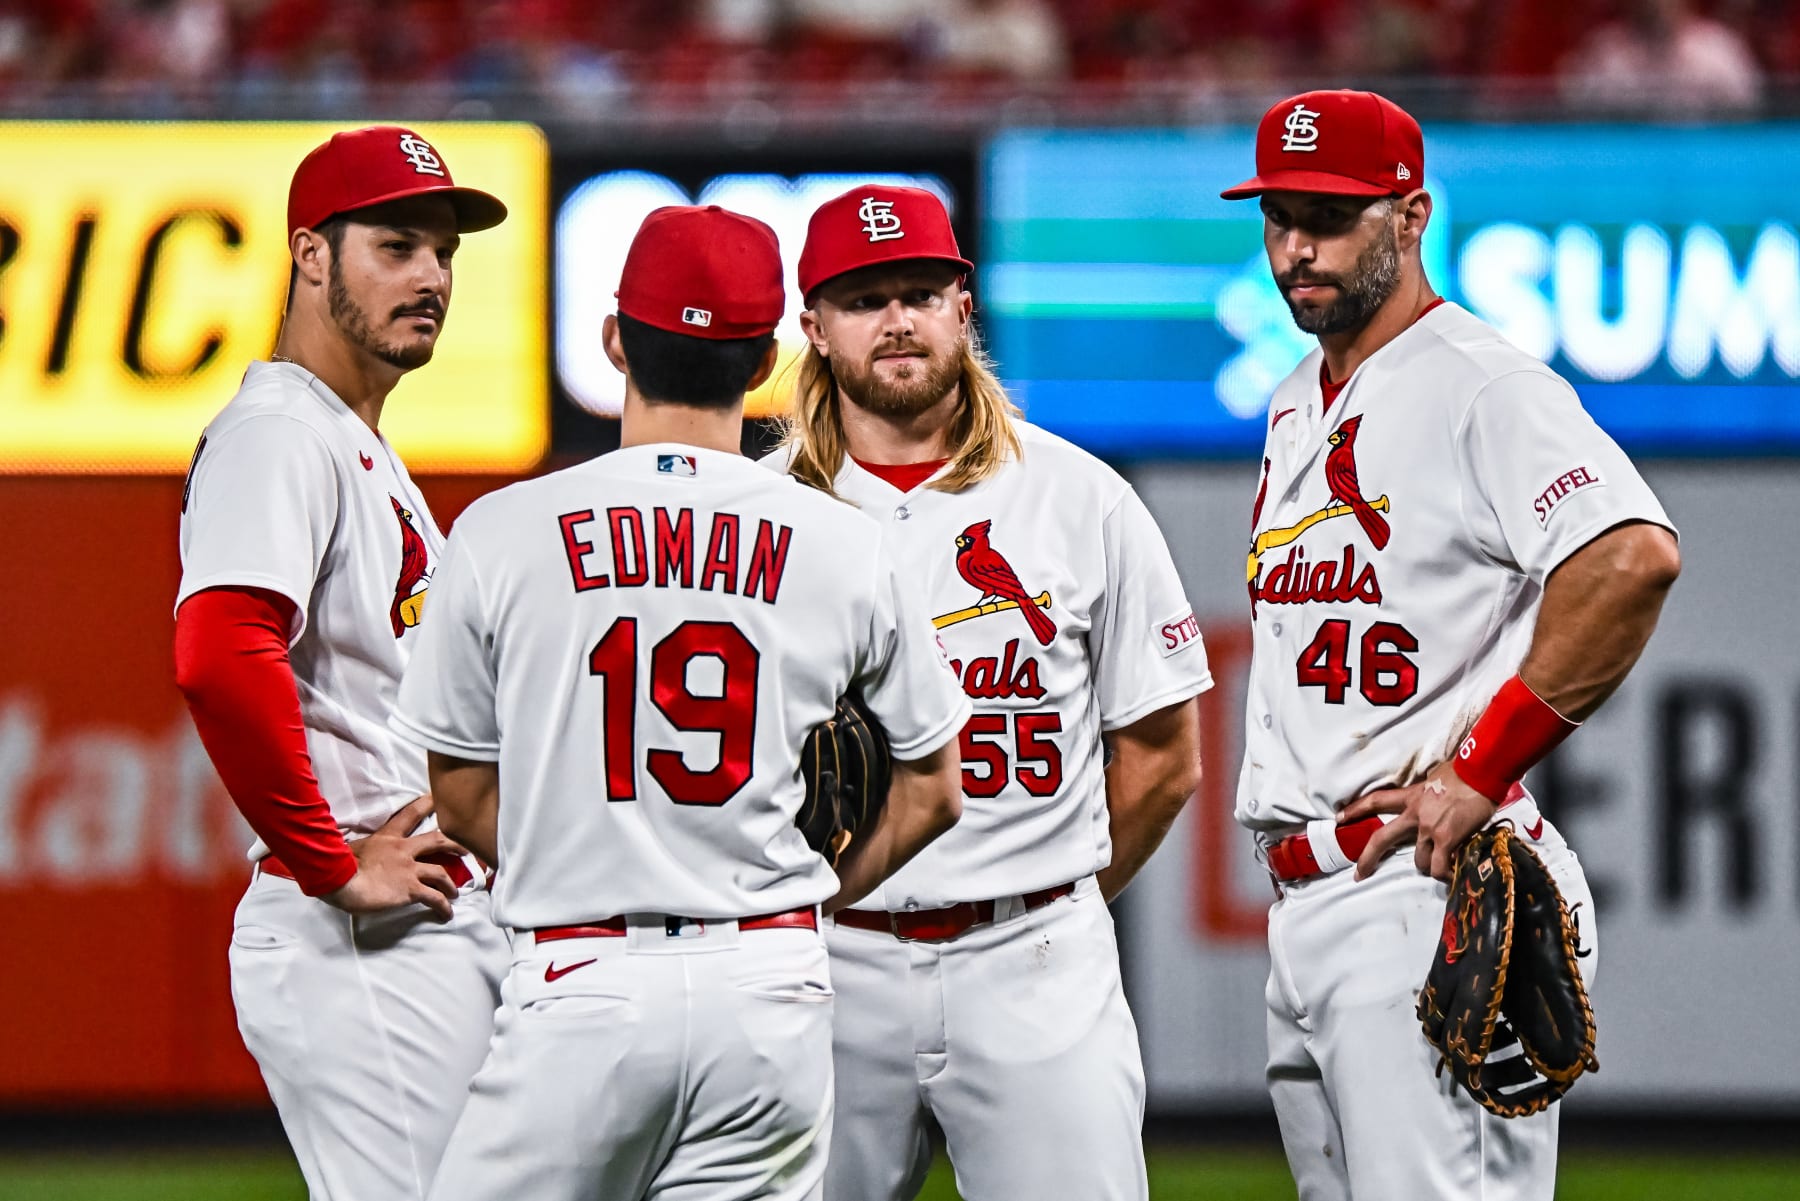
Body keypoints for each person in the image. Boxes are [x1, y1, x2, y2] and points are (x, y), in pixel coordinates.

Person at [391, 204, 970, 1201]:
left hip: (583, 979)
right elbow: (935, 787)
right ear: (766, 363)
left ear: (613, 338)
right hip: (769, 989)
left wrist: (578, 851)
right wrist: (805, 894)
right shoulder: (841, 540)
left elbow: (457, 790)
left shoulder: (501, 530)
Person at [1221, 89, 1682, 1198]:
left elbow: (1629, 556)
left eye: (1330, 217)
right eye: (1280, 216)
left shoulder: (1481, 382)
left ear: (1411, 213)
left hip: (1418, 891)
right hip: (1308, 908)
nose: (1297, 248)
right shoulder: (1298, 397)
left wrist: (1484, 767)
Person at [779, 185, 1211, 1201]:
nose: (897, 321)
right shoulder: (769, 512)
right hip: (824, 963)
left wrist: (1052, 894)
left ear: (962, 307)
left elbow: (1164, 755)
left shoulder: (1076, 495)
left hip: (1033, 957)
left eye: (921, 292)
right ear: (814, 325)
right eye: (864, 297)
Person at [172, 126, 513, 1199]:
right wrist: (332, 863)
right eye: (398, 245)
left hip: (417, 924)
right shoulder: (280, 430)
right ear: (311, 253)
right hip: (356, 935)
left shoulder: (350, 437)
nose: (431, 277)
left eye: (444, 253)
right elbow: (221, 652)